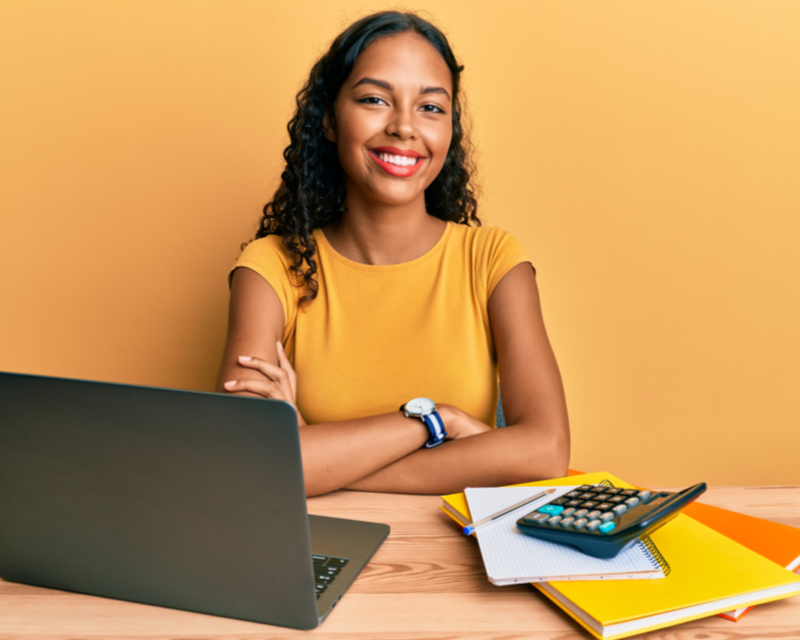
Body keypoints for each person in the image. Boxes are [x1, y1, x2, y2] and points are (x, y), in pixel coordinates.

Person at [216, 11, 569, 497]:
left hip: (463, 554)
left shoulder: (493, 261)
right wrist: (432, 422)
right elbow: (247, 458)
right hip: (314, 552)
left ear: (451, 130)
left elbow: (545, 451)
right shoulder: (271, 267)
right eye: (374, 100)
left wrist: (311, 458)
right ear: (330, 120)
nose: (404, 127)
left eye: (430, 107)